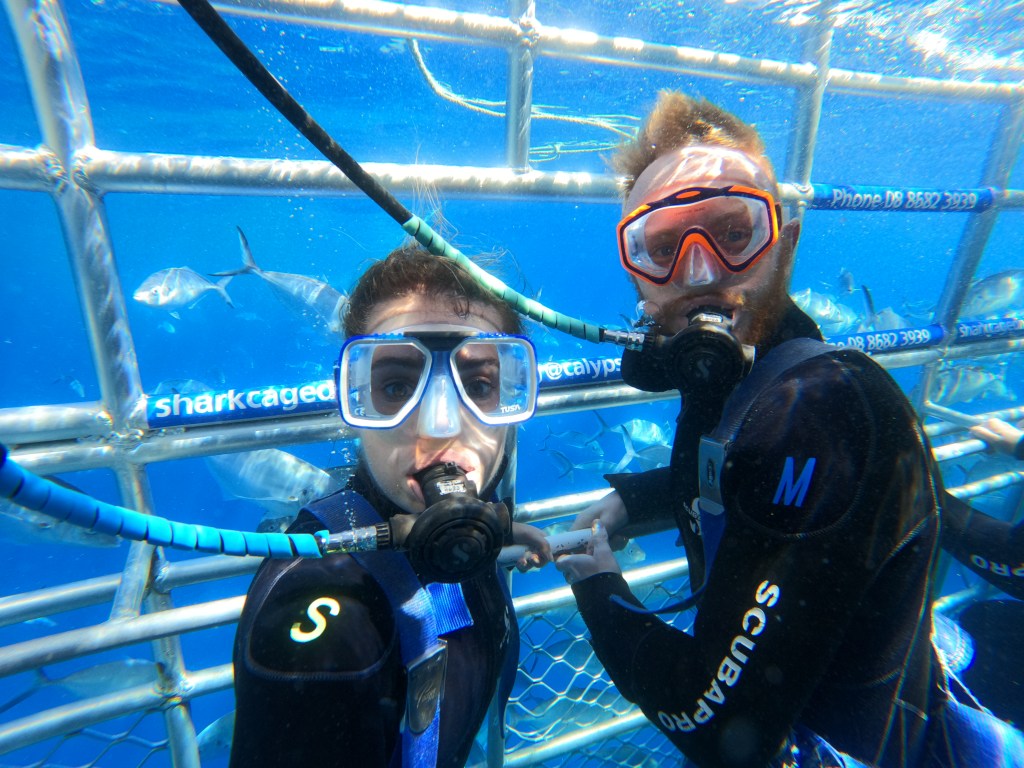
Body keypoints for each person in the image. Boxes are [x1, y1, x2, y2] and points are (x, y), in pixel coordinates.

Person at [555, 90, 1024, 767]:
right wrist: (637, 498)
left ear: (786, 243)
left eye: (733, 231)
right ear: (636, 277)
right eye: (660, 246)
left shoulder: (818, 412)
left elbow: (713, 726)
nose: (699, 269)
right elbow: (740, 474)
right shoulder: (747, 378)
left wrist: (597, 586)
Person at [230, 244, 550, 767]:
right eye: (398, 385)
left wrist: (505, 529)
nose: (441, 424)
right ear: (353, 405)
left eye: (481, 386)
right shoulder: (328, 624)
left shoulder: (469, 523)